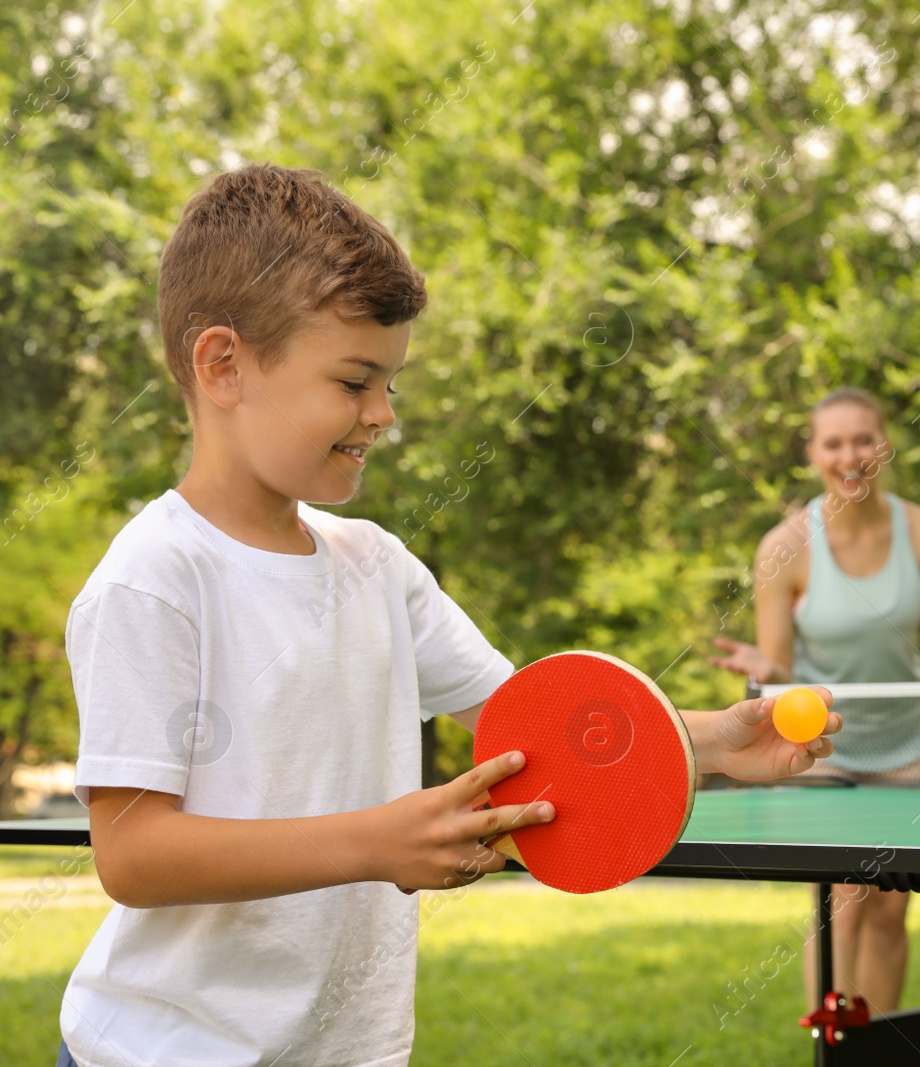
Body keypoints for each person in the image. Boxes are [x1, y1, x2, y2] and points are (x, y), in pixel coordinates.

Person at [57, 163, 838, 1067]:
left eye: (390, 381)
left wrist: (704, 737)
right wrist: (376, 842)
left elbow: (531, 725)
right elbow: (134, 855)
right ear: (223, 364)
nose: (383, 413)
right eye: (355, 381)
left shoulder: (376, 565)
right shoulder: (154, 578)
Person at [708, 387, 920, 1015]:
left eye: (864, 440)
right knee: (841, 901)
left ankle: (883, 1043)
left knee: (889, 906)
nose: (850, 455)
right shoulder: (784, 547)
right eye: (833, 442)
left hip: (909, 744)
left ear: (884, 446)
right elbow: (777, 662)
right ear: (812, 452)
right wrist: (762, 667)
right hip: (820, 746)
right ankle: (833, 1050)